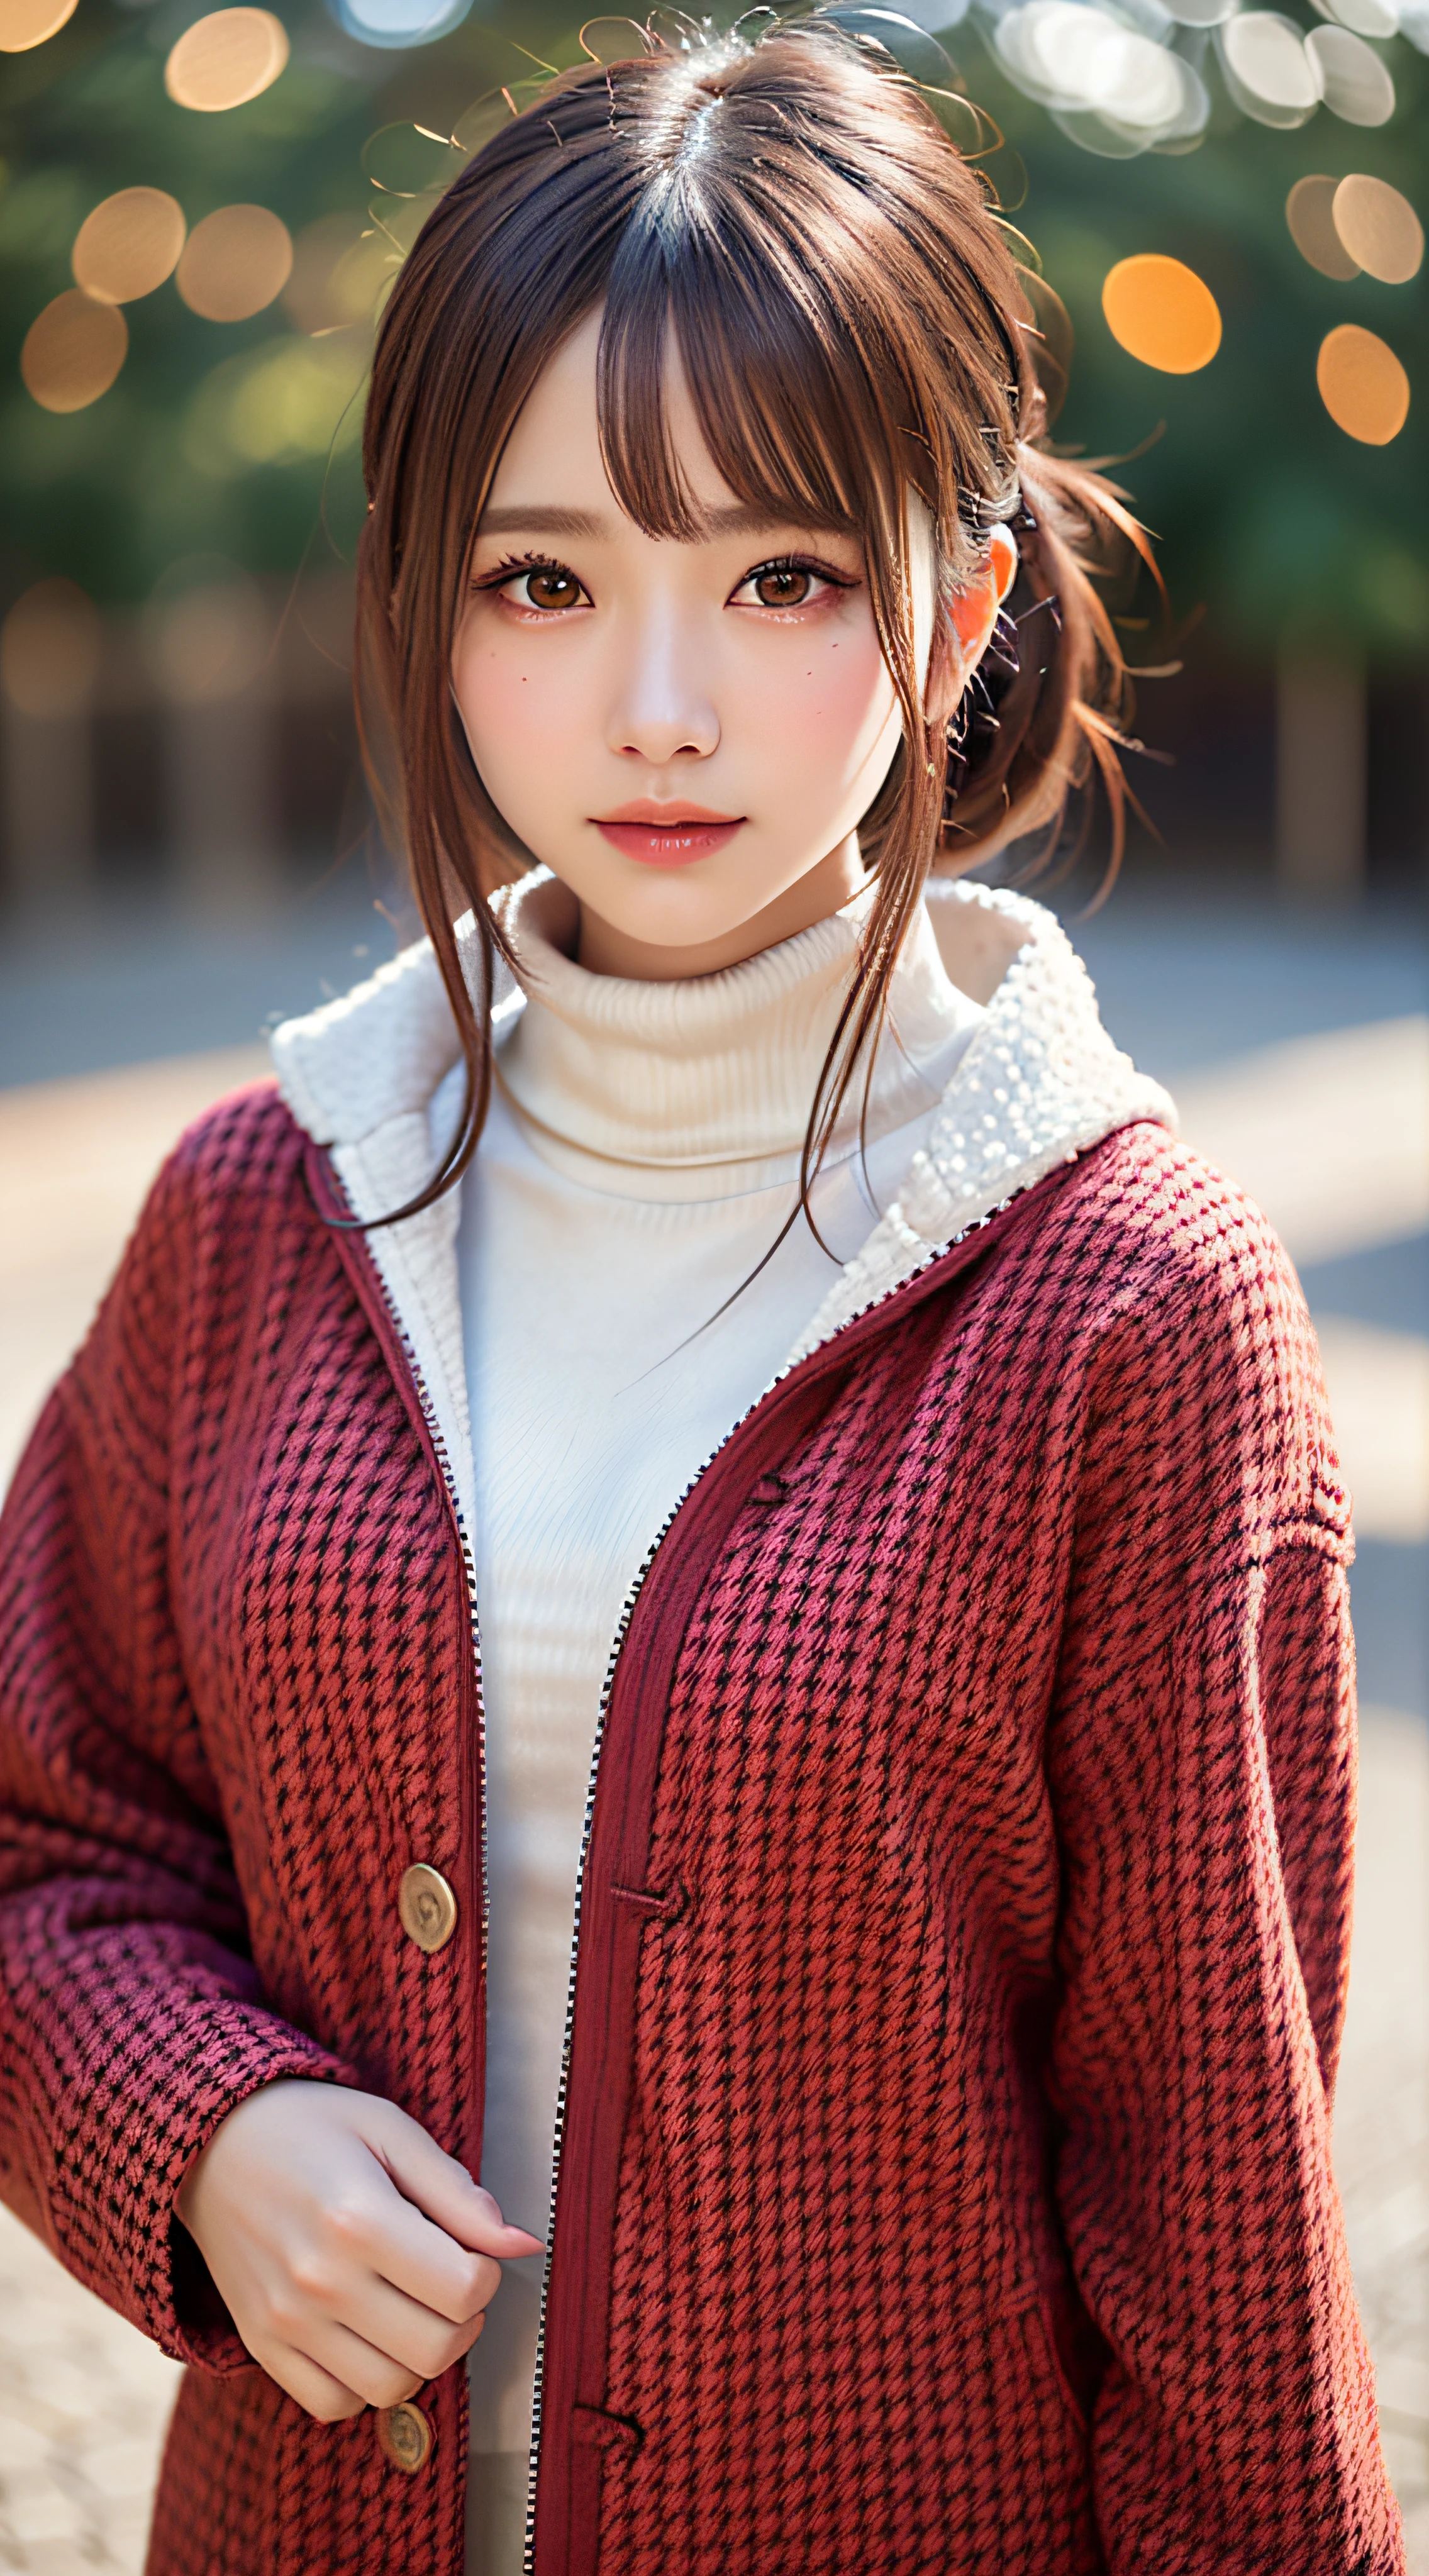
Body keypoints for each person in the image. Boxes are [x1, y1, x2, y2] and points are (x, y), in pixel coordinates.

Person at [0, 18, 1403, 2576]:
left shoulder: (1123, 1304)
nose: (658, 708)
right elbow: (36, 1832)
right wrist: (194, 2119)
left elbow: (1211, 2188)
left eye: (779, 578)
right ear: (423, 599)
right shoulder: (257, 1215)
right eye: (545, 578)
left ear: (958, 599)